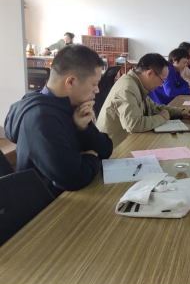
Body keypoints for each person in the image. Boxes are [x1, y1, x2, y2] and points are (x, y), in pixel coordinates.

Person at [4, 45, 113, 196]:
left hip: (72, 195)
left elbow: (106, 150)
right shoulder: (41, 118)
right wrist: (91, 157)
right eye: (94, 84)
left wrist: (84, 129)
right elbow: (74, 178)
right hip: (49, 204)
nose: (97, 90)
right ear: (70, 82)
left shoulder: (71, 105)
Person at [96, 53, 190, 148]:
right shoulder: (128, 88)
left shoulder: (138, 84)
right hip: (114, 149)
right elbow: (134, 124)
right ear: (150, 73)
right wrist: (162, 117)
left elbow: (154, 107)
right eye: (162, 80)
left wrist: (181, 112)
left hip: (128, 140)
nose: (161, 85)